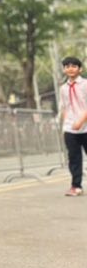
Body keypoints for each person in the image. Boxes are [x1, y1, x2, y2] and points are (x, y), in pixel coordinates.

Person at [58, 56, 85, 196]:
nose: (70, 69)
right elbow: (64, 107)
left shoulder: (86, 84)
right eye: (67, 66)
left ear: (80, 69)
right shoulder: (63, 88)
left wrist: (81, 121)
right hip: (70, 129)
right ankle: (76, 186)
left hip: (85, 127)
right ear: (64, 69)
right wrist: (65, 126)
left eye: (74, 66)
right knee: (74, 158)